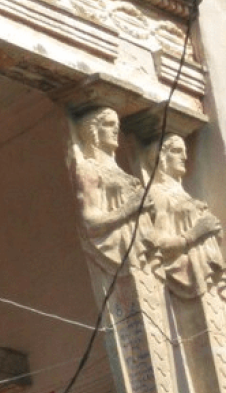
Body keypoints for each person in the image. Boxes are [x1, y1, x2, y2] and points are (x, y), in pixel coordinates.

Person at [144, 134, 224, 298]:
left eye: (184, 152)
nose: (185, 157)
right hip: (191, 275)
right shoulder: (157, 193)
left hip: (210, 274)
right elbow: (158, 245)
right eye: (177, 151)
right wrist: (195, 233)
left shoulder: (184, 195)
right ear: (161, 157)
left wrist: (212, 227)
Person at [71, 107, 145, 272]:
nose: (115, 131)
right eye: (109, 125)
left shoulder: (123, 174)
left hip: (142, 245)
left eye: (116, 126)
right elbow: (90, 219)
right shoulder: (89, 169)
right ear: (93, 131)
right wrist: (129, 209)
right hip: (119, 245)